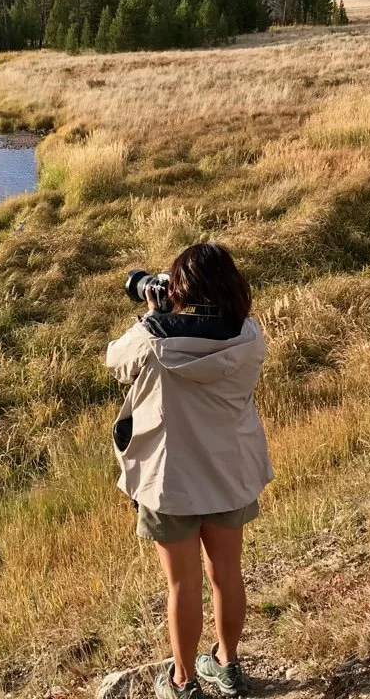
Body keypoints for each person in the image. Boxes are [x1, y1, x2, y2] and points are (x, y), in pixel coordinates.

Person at [106, 242, 272, 699]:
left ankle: (183, 681)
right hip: (229, 472)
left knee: (182, 584)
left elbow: (114, 362)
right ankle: (228, 664)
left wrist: (151, 316)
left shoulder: (152, 336)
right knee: (227, 573)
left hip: (170, 479)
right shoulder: (249, 336)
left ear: (180, 290)